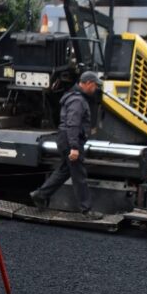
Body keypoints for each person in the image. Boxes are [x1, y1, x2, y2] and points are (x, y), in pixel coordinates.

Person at [29, 71, 104, 220]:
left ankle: (40, 194)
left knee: (65, 170)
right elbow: (73, 124)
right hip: (71, 141)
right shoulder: (78, 100)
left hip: (65, 139)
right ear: (88, 83)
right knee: (79, 175)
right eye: (95, 85)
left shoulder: (75, 97)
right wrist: (74, 147)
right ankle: (87, 210)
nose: (96, 89)